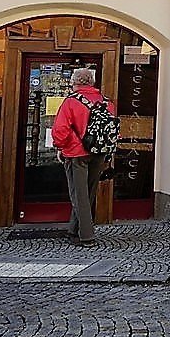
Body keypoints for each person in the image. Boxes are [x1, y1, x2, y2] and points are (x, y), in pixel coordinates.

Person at [52, 68, 114, 247]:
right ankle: (73, 230)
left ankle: (87, 236)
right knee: (88, 192)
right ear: (92, 82)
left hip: (76, 153)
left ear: (74, 82)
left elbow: (60, 130)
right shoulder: (107, 102)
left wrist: (61, 147)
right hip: (99, 153)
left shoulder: (71, 102)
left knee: (78, 195)